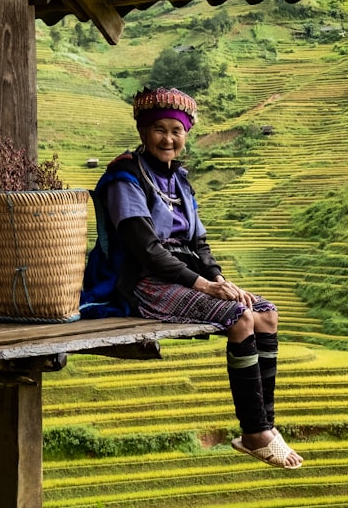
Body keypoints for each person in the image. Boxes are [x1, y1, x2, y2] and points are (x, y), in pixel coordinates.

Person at [79, 86, 302, 469]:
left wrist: (219, 277)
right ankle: (255, 432)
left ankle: (264, 425)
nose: (169, 138)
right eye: (160, 129)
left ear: (186, 135)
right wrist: (205, 285)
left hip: (186, 276)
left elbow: (199, 241)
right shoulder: (124, 178)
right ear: (143, 131)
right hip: (143, 281)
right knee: (239, 317)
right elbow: (145, 249)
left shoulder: (179, 180)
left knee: (266, 312)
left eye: (177, 131)